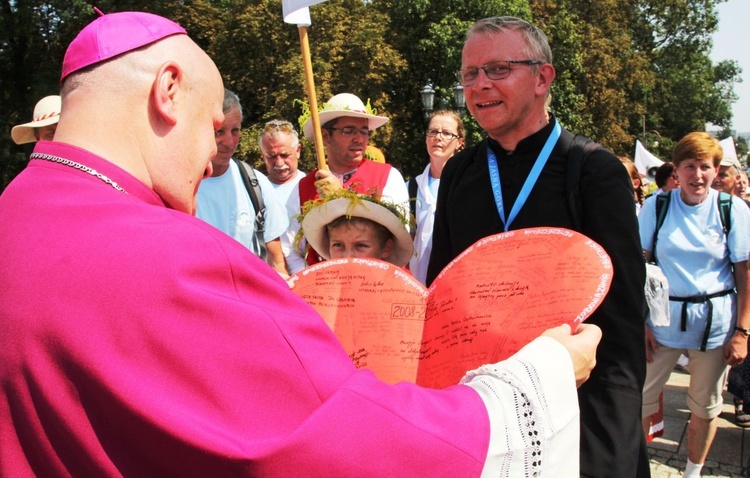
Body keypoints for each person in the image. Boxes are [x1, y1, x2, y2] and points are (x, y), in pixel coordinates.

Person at [0, 10, 604, 477]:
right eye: (214, 127)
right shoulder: (170, 258)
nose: (216, 157)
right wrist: (541, 374)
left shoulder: (13, 217)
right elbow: (343, 442)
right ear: (168, 89)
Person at [426, 16, 648, 477]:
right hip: (482, 405)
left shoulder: (593, 170)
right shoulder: (459, 173)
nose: (480, 85)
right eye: (470, 74)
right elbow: (441, 297)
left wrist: (612, 445)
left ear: (543, 77)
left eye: (498, 69)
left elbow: (621, 323)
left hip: (576, 406)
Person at [639, 132, 750, 477]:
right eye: (690, 166)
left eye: (705, 166)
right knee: (640, 397)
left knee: (705, 404)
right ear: (677, 170)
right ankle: (636, 466)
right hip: (661, 322)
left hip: (714, 325)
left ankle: (692, 472)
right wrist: (639, 321)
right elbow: (638, 264)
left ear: (716, 171)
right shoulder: (656, 206)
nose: (697, 175)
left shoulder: (731, 209)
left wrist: (743, 331)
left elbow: (745, 272)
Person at [282, 93, 409, 274]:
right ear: (325, 136)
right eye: (348, 131)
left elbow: (400, 235)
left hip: (377, 286)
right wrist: (313, 281)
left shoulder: (389, 177)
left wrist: (339, 195)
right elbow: (291, 248)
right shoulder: (303, 187)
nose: (359, 138)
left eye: (364, 131)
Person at [196, 89, 289, 276]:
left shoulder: (255, 184)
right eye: (219, 131)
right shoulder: (180, 187)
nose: (229, 142)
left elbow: (276, 259)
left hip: (248, 298)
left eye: (235, 130)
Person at [407, 109, 465, 284]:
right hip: (418, 283)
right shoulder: (411, 188)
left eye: (447, 133)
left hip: (456, 282)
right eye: (433, 131)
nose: (437, 137)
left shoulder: (466, 185)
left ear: (459, 143)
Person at [297, 191, 413, 266]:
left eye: (360, 246)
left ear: (386, 248)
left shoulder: (400, 295)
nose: (348, 256)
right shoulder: (318, 294)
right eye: (338, 245)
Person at [259, 119, 306, 206]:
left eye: (285, 155)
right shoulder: (257, 192)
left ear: (298, 151)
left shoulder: (312, 187)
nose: (279, 163)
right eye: (272, 156)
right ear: (262, 154)